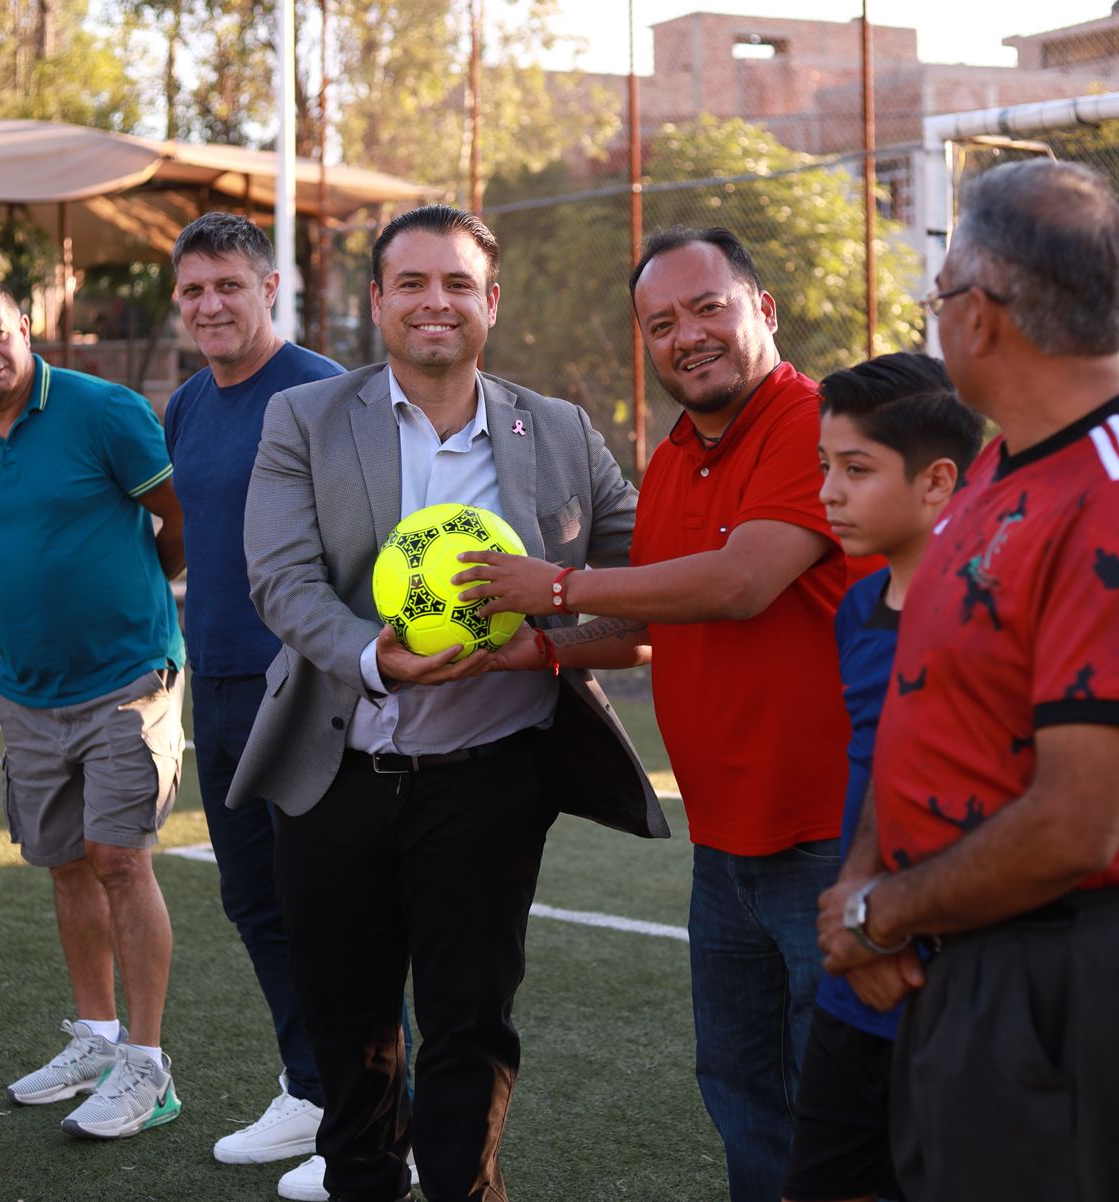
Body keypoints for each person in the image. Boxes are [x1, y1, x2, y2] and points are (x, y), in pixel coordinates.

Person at [227, 204, 666, 1202]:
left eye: (458, 283)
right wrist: (371, 654)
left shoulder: (555, 430)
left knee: (470, 1020)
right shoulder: (304, 418)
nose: (436, 303)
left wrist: (540, 639)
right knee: (350, 1027)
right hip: (335, 772)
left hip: (489, 780)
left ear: (490, 301)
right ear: (377, 300)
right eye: (413, 284)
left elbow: (643, 571)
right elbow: (282, 579)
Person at [815, 159, 1119, 1202]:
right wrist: (866, 883)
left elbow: (1076, 821)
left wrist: (881, 913)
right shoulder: (1006, 464)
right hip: (966, 949)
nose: (937, 315)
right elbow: (923, 701)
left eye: (940, 292)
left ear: (983, 315)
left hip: (1066, 963)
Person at [457, 226, 860, 1202]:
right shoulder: (678, 454)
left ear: (762, 309)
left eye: (708, 306)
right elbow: (653, 622)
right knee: (740, 1085)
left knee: (844, 1104)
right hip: (722, 845)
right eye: (660, 322)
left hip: (833, 838)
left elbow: (738, 583)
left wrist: (552, 587)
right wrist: (544, 646)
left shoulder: (816, 426)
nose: (687, 335)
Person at [0, 279, 189, 1140]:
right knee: (67, 862)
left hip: (127, 676)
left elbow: (174, 519)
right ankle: (98, 1040)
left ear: (25, 327)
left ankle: (148, 1067)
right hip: (29, 693)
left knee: (119, 858)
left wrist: (135, 601)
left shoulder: (103, 411)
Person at [782, 354, 983, 1202]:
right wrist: (859, 918)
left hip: (951, 983)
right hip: (856, 976)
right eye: (825, 467)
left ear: (938, 482)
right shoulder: (858, 612)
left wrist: (896, 929)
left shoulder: (989, 618)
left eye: (855, 470)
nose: (829, 492)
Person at [166, 212, 343, 1166]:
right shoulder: (187, 403)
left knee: (329, 907)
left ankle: (371, 1116)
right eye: (193, 290)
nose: (209, 305)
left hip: (307, 688)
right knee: (254, 902)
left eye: (227, 284)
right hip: (219, 684)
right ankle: (312, 1091)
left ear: (269, 288)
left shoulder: (323, 391)